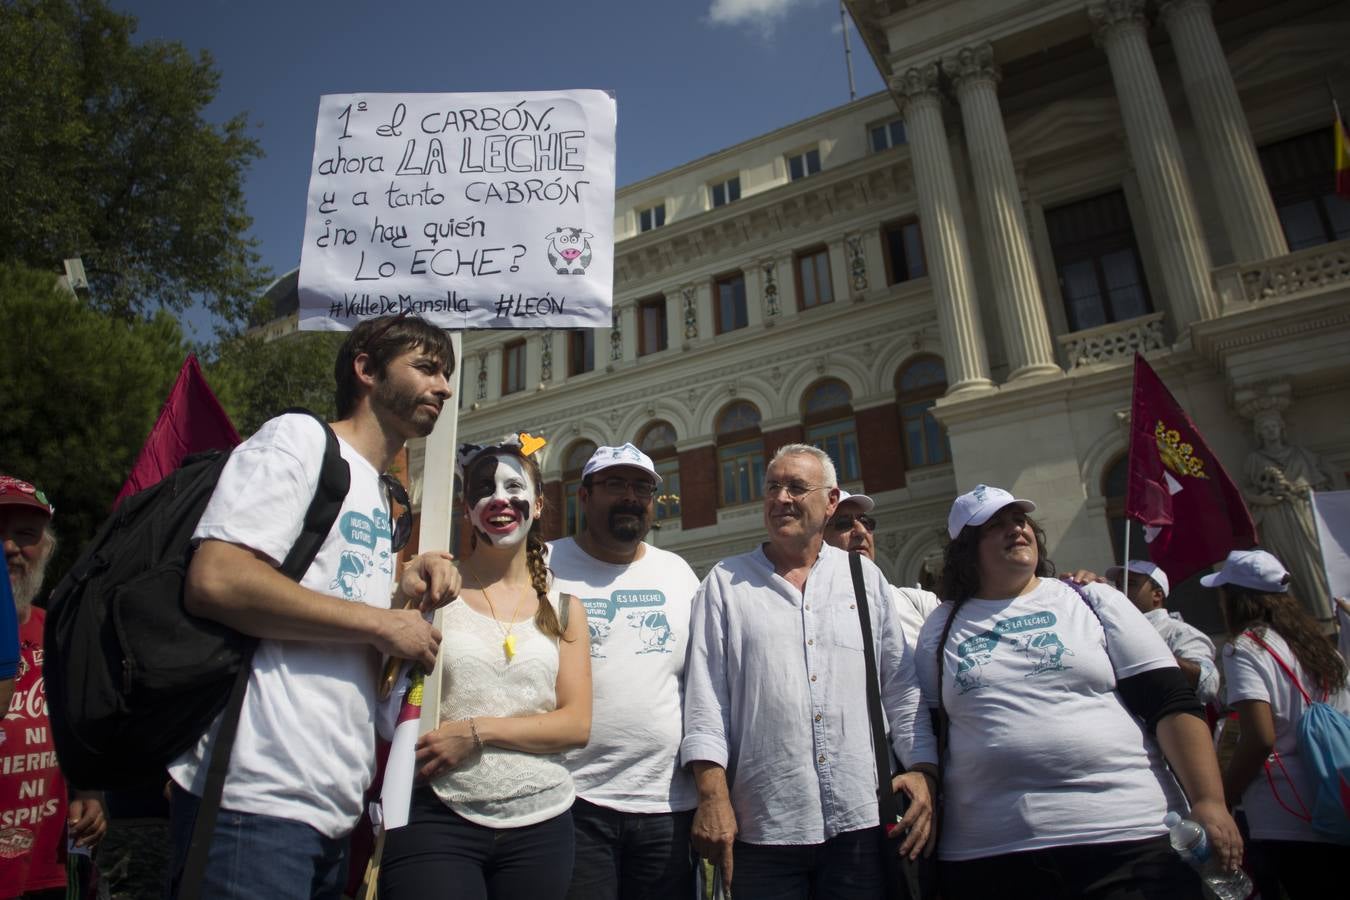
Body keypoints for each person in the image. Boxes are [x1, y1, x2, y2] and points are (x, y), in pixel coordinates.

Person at [168, 315, 462, 899]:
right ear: (366, 371)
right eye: (427, 368)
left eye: (447, 375)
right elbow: (218, 578)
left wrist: (403, 592)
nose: (445, 388)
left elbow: (333, 613)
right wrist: (384, 622)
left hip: (331, 807)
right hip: (253, 794)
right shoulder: (300, 440)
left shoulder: (380, 495)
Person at [915, 484, 1241, 899]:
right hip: (990, 853)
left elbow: (1170, 702)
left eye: (1020, 520)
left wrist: (1209, 800)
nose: (1016, 530)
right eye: (994, 526)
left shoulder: (1093, 599)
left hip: (1128, 838)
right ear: (965, 549)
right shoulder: (940, 627)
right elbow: (926, 725)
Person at [682, 443, 936, 899]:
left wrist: (922, 768)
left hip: (860, 822)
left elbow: (900, 686)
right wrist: (713, 797)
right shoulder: (725, 583)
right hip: (764, 827)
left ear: (831, 501)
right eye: (773, 487)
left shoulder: (863, 577)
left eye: (797, 487)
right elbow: (705, 703)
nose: (782, 498)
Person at [379, 438, 591, 900]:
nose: (498, 499)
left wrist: (476, 732)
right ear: (465, 505)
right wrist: (402, 593)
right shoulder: (432, 594)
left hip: (542, 826)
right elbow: (380, 679)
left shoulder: (567, 609)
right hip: (436, 816)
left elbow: (575, 724)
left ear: (537, 502)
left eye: (513, 486)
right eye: (483, 488)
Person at [546, 443, 701, 900]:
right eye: (615, 485)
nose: (630, 497)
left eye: (642, 487)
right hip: (571, 800)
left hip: (667, 804)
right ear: (584, 496)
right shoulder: (543, 566)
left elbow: (703, 685)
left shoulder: (678, 574)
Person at [1209, 548, 1350, 900]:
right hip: (1339, 797)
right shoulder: (1322, 647)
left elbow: (1259, 738)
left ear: (1236, 599)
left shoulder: (1245, 648)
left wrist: (1223, 796)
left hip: (1284, 814)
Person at [1, 475, 107, 899]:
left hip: (47, 869)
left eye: (25, 535)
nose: (9, 548)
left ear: (46, 548)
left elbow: (77, 724)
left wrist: (88, 793)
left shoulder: (59, 632)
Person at [825, 489, 939, 651]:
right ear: (817, 539)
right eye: (844, 523)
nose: (862, 531)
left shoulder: (919, 602)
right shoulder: (813, 617)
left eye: (866, 522)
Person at [1105, 560, 1220, 707]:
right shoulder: (1111, 631)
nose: (1121, 591)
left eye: (1131, 584)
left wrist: (1155, 655)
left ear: (1157, 595)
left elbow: (1208, 683)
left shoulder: (1180, 632)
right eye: (1119, 585)